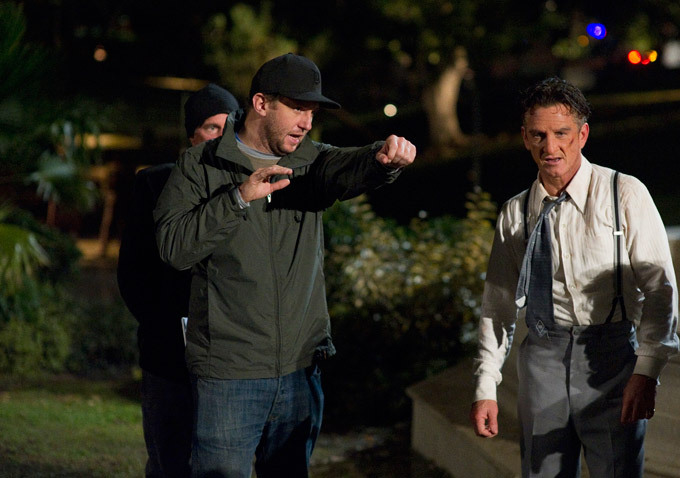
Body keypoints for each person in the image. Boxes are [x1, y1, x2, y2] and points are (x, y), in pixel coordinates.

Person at [153, 53, 416, 478]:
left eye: (312, 112)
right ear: (261, 103)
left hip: (299, 373)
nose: (307, 122)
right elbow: (174, 248)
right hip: (229, 375)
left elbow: (348, 166)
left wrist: (381, 159)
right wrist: (237, 199)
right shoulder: (200, 165)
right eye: (297, 109)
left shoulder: (310, 163)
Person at [469, 77, 679, 477]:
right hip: (541, 359)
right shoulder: (515, 213)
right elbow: (497, 308)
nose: (550, 147)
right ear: (525, 138)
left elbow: (660, 290)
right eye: (539, 135)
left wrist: (646, 371)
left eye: (561, 133)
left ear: (582, 135)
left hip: (611, 358)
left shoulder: (624, 194)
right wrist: (485, 387)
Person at [117, 83, 239, 478]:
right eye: (211, 127)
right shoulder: (156, 184)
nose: (221, 136)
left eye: (229, 126)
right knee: (169, 459)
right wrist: (163, 324)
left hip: (230, 354)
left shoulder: (249, 187)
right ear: (192, 135)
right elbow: (133, 271)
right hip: (169, 351)